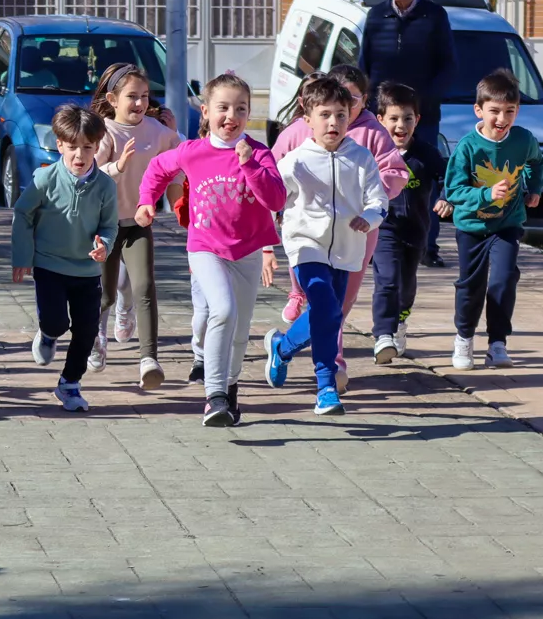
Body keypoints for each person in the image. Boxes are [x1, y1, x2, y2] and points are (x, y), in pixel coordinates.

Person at [135, 75, 286, 427]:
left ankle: (229, 390)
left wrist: (249, 164)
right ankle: (214, 395)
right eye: (223, 107)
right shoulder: (193, 151)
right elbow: (157, 168)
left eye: (241, 109)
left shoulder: (258, 152)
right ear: (206, 112)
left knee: (240, 327)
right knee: (222, 310)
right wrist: (146, 202)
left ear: (249, 115)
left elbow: (276, 199)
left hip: (246, 250)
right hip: (205, 247)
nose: (231, 115)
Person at [269, 64, 407, 389]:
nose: (335, 120)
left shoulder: (369, 138)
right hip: (308, 242)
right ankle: (330, 376)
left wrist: (369, 209)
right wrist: (269, 228)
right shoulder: (298, 141)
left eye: (348, 107)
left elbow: (392, 176)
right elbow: (271, 179)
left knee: (336, 310)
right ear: (311, 114)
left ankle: (283, 346)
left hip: (354, 240)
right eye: (327, 113)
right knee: (325, 305)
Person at [11, 105, 118, 414]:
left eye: (87, 147)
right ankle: (47, 333)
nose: (79, 155)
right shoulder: (44, 179)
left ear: (97, 146)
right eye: (72, 147)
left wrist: (105, 246)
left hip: (87, 270)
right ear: (59, 145)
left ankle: (70, 383)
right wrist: (22, 256)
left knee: (86, 330)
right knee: (57, 322)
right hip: (48, 265)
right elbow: (22, 213)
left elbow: (109, 225)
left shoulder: (106, 186)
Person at [444, 71, 543, 370]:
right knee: (471, 286)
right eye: (495, 111)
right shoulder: (467, 147)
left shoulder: (523, 139)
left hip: (508, 223)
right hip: (472, 227)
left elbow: (535, 162)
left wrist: (534, 187)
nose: (502, 118)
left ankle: (497, 343)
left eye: (509, 111)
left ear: (517, 111)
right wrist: (487, 194)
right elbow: (454, 190)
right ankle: (464, 338)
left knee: (503, 280)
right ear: (479, 110)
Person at [360, 0, 457, 267]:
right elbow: (364, 62)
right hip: (381, 114)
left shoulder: (434, 16)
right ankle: (376, 241)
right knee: (375, 175)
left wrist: (426, 101)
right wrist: (366, 102)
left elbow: (447, 64)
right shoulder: (376, 15)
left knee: (421, 178)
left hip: (421, 115)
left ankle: (427, 246)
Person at [90, 62, 181, 388]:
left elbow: (181, 157)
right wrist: (118, 165)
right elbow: (89, 177)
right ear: (113, 99)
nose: (140, 103)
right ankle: (96, 339)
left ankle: (149, 359)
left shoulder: (156, 132)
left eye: (144, 96)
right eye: (132, 96)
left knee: (144, 286)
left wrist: (178, 203)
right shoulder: (103, 132)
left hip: (138, 223)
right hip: (103, 226)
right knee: (104, 294)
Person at [371, 82, 448, 362]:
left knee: (406, 286)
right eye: (393, 118)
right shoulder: (373, 154)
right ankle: (382, 335)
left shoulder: (426, 154)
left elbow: (447, 176)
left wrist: (446, 197)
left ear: (418, 120)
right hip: (383, 228)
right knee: (387, 281)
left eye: (407, 118)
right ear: (380, 120)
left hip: (417, 231)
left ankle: (400, 322)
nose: (400, 125)